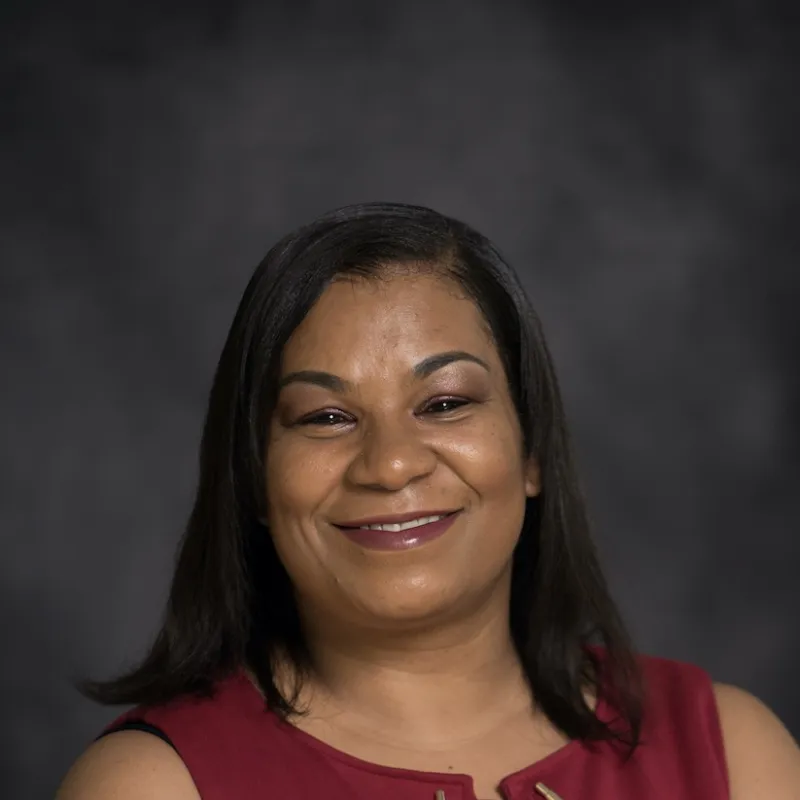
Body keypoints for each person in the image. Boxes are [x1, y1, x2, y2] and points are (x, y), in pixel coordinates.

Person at [56, 203, 799, 800]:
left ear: (532, 451)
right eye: (325, 417)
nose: (391, 464)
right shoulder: (153, 786)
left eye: (444, 404)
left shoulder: (734, 755)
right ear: (253, 478)